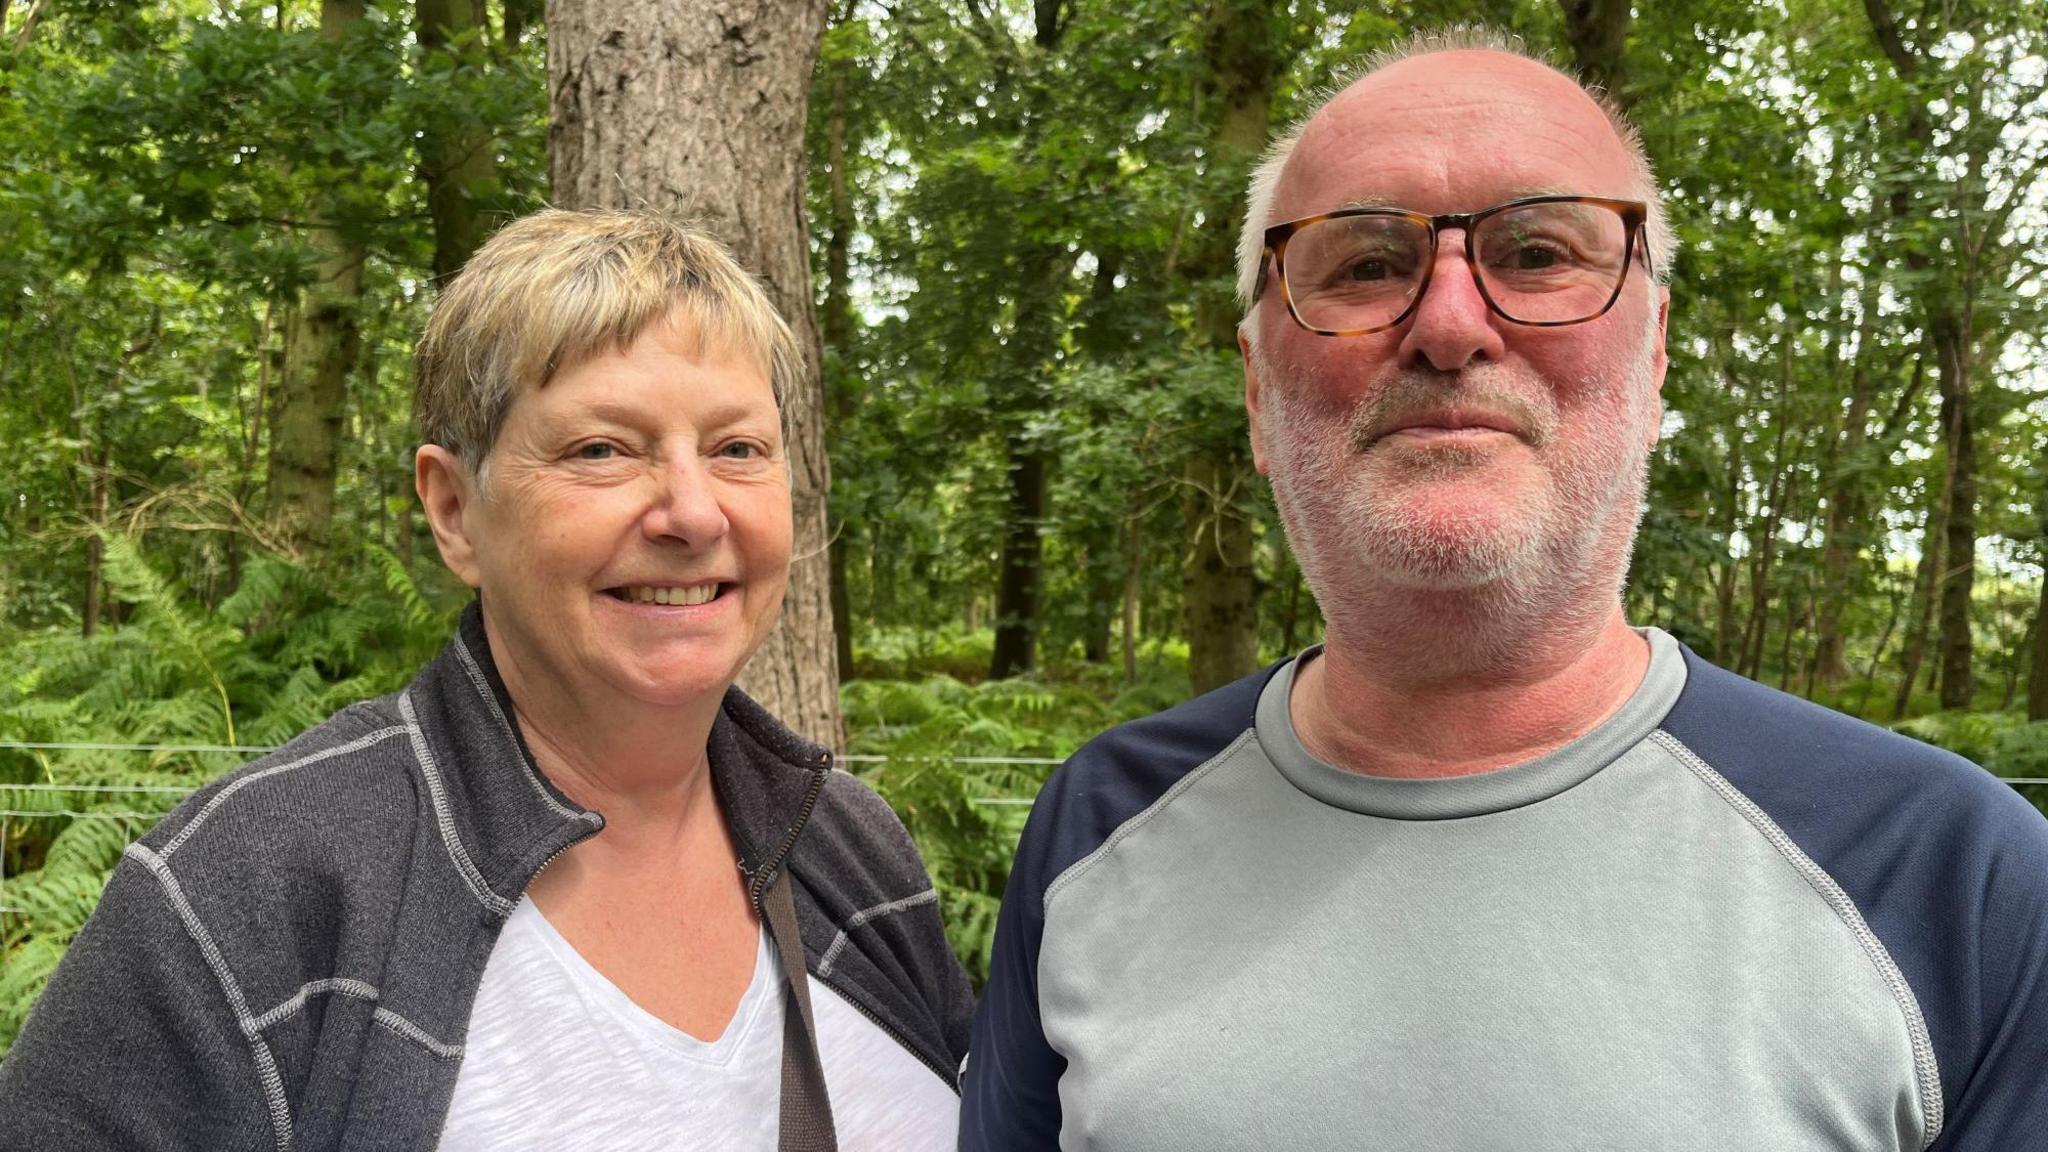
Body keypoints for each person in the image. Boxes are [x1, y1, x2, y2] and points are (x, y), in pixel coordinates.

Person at [960, 29, 2048, 1152]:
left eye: (1534, 254)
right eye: (1365, 264)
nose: (1445, 325)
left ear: (1654, 352)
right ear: (1254, 390)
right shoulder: (1094, 828)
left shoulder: (1952, 876)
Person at [0, 209, 972, 1151]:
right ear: (456, 510)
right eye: (602, 449)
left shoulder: (851, 850)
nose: (691, 512)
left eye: (736, 450)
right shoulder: (245, 896)